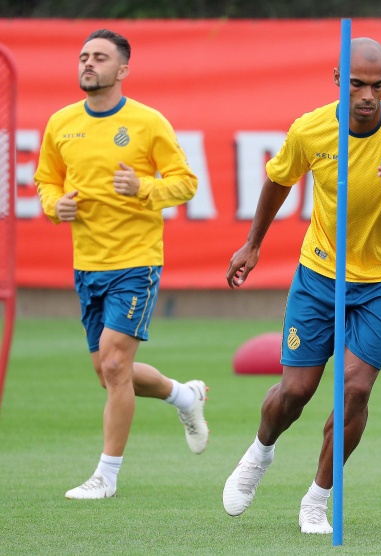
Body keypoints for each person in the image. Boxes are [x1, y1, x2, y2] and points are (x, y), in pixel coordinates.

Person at [222, 37, 381, 534]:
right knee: (296, 391)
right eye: (357, 84)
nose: (368, 96)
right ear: (337, 80)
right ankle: (260, 453)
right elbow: (279, 180)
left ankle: (317, 499)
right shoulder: (310, 128)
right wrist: (252, 245)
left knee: (355, 390)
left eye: (378, 85)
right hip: (320, 274)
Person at [34, 29, 208, 500]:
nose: (88, 63)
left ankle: (106, 477)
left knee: (114, 363)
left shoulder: (148, 122)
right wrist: (54, 206)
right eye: (84, 56)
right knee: (109, 372)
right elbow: (46, 181)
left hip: (136, 262)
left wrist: (144, 188)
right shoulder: (61, 123)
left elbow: (186, 182)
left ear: (123, 69)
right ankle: (184, 395)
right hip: (87, 263)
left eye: (100, 57)